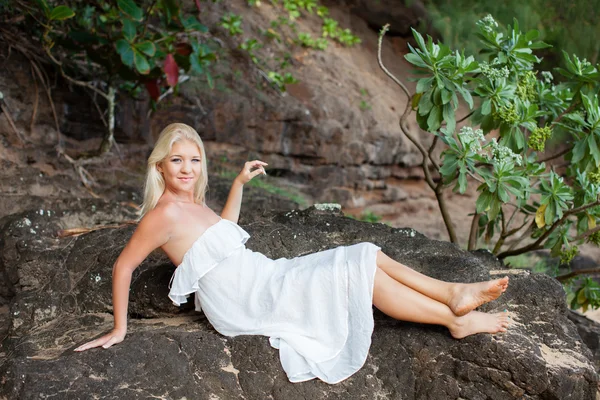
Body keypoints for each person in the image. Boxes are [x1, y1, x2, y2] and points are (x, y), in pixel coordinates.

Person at [74, 123, 510, 383]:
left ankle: (453, 297)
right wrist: (120, 329)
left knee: (365, 253)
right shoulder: (163, 214)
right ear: (159, 166)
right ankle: (454, 314)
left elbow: (223, 234)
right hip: (246, 299)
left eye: (194, 160)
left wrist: (240, 185)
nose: (187, 169)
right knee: (359, 266)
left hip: (262, 275)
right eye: (176, 161)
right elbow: (124, 265)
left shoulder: (191, 203)